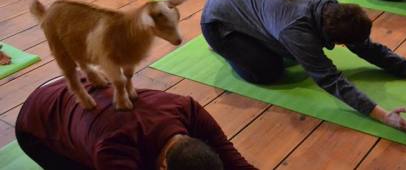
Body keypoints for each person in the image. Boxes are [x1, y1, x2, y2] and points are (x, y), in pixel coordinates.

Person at [201, 0, 406, 138]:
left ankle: (259, 43)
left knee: (295, 55)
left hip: (250, 6)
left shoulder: (333, 10)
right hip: (219, 23)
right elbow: (329, 78)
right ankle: (226, 49)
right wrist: (383, 116)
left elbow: (368, 49)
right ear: (334, 40)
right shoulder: (297, 29)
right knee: (270, 73)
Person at [15, 77, 256, 169]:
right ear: (163, 166)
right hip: (37, 123)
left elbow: (236, 162)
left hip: (79, 84)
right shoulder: (114, 149)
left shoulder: (188, 109)